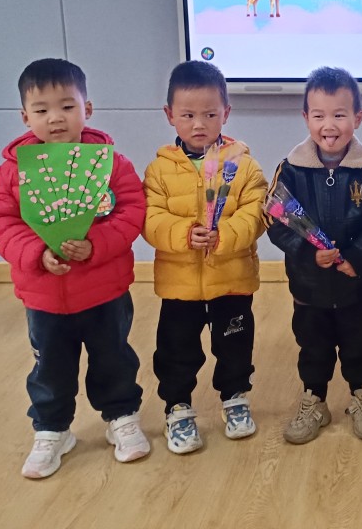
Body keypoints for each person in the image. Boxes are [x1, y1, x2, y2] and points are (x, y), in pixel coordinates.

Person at [0, 58, 150, 479]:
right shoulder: (12, 173)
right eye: (41, 110)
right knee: (50, 368)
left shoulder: (111, 164)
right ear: (25, 116)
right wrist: (36, 253)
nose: (55, 118)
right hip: (44, 296)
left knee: (113, 357)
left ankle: (121, 417)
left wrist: (95, 245)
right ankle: (52, 429)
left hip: (105, 290)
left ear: (87, 109)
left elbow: (132, 212)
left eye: (67, 106)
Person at [143, 61, 268, 454]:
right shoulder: (159, 170)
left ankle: (235, 397)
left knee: (235, 344)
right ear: (170, 115)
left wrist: (224, 235)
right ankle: (177, 407)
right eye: (188, 115)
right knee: (176, 349)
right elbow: (149, 218)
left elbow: (257, 212)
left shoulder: (242, 164)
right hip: (179, 284)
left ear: (226, 113)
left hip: (231, 277)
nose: (199, 124)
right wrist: (184, 233)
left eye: (210, 115)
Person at [266, 67, 362, 444]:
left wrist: (357, 256)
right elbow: (275, 221)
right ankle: (314, 400)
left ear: (358, 117)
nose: (329, 125)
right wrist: (309, 255)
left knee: (361, 342)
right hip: (309, 284)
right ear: (306, 117)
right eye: (319, 115)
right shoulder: (290, 170)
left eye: (339, 115)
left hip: (358, 283)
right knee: (312, 345)